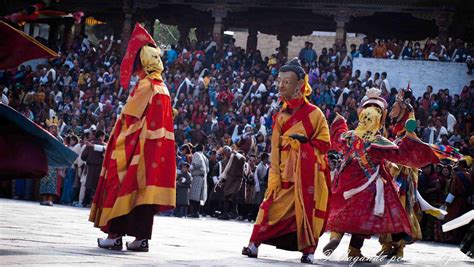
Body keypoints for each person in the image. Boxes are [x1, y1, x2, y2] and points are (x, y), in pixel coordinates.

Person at [324, 88, 439, 262]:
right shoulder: (378, 142)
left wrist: (340, 122)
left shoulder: (349, 136)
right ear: (380, 118)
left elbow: (337, 137)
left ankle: (335, 237)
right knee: (363, 219)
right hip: (368, 185)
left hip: (346, 181)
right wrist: (421, 146)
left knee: (342, 210)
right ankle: (355, 250)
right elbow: (400, 154)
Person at [90, 24, 176, 252]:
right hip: (155, 154)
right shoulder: (164, 88)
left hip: (137, 149)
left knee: (121, 186)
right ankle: (141, 240)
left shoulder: (147, 86)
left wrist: (116, 143)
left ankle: (114, 235)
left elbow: (128, 119)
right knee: (145, 196)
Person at [242, 58, 331, 264]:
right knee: (269, 208)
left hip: (307, 176)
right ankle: (254, 244)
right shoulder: (280, 116)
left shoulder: (315, 114)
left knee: (306, 213)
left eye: (286, 82)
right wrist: (275, 173)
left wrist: (304, 143)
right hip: (284, 173)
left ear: (300, 84)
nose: (281, 85)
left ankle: (308, 251)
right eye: (279, 81)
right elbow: (274, 149)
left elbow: (325, 144)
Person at [216, 146, 246, 220]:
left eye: (226, 152)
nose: (225, 155)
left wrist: (236, 153)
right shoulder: (226, 160)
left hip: (237, 179)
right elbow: (225, 170)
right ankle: (225, 214)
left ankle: (234, 212)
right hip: (229, 179)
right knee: (226, 196)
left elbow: (243, 159)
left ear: (230, 151)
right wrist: (222, 180)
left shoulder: (236, 157)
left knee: (233, 195)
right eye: (224, 153)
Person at [39, 116, 63, 206]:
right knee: (44, 180)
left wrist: (60, 166)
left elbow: (61, 152)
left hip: (55, 162)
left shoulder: (59, 139)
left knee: (52, 182)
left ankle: (50, 200)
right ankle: (44, 199)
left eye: (55, 128)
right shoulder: (45, 137)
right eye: (51, 127)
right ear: (49, 128)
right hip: (45, 161)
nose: (53, 129)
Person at [81, 130, 106, 207]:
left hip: (90, 167)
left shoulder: (89, 144)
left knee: (88, 185)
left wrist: (89, 159)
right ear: (101, 136)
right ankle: (94, 203)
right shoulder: (104, 145)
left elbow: (83, 156)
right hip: (99, 167)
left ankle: (86, 202)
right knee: (97, 185)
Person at [189, 144, 209, 218]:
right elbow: (207, 169)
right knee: (199, 196)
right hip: (203, 177)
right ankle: (196, 211)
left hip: (197, 176)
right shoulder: (205, 157)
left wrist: (190, 168)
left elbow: (196, 164)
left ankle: (195, 212)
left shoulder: (196, 154)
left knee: (195, 195)